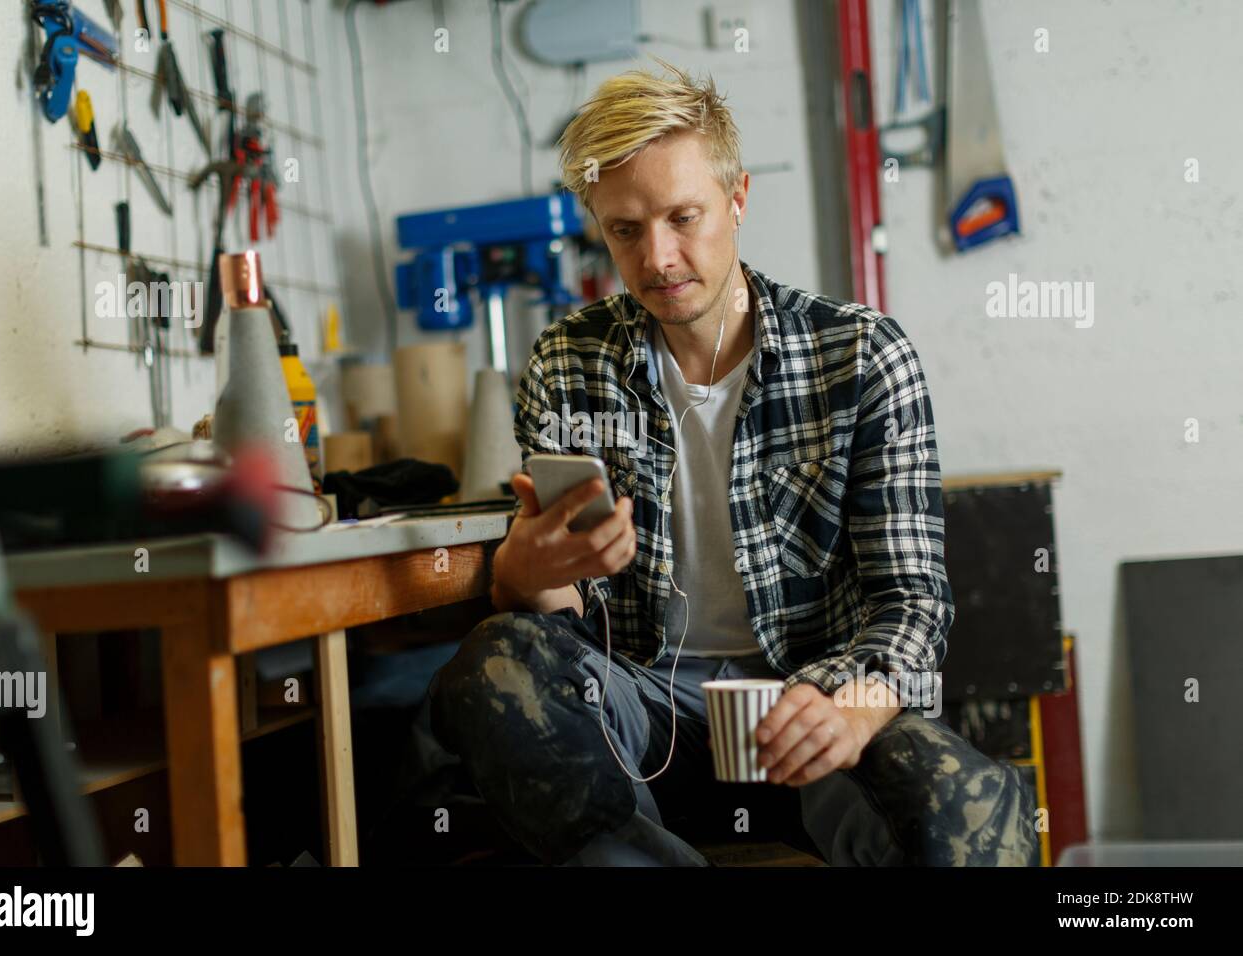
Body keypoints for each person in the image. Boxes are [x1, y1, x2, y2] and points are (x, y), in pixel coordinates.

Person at [428, 59, 1039, 866]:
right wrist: (526, 569)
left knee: (973, 821)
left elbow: (913, 602)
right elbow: (555, 619)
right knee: (497, 664)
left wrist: (852, 708)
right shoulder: (568, 358)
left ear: (738, 199)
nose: (658, 258)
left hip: (808, 704)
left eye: (684, 217)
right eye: (625, 230)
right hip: (643, 714)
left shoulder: (861, 356)